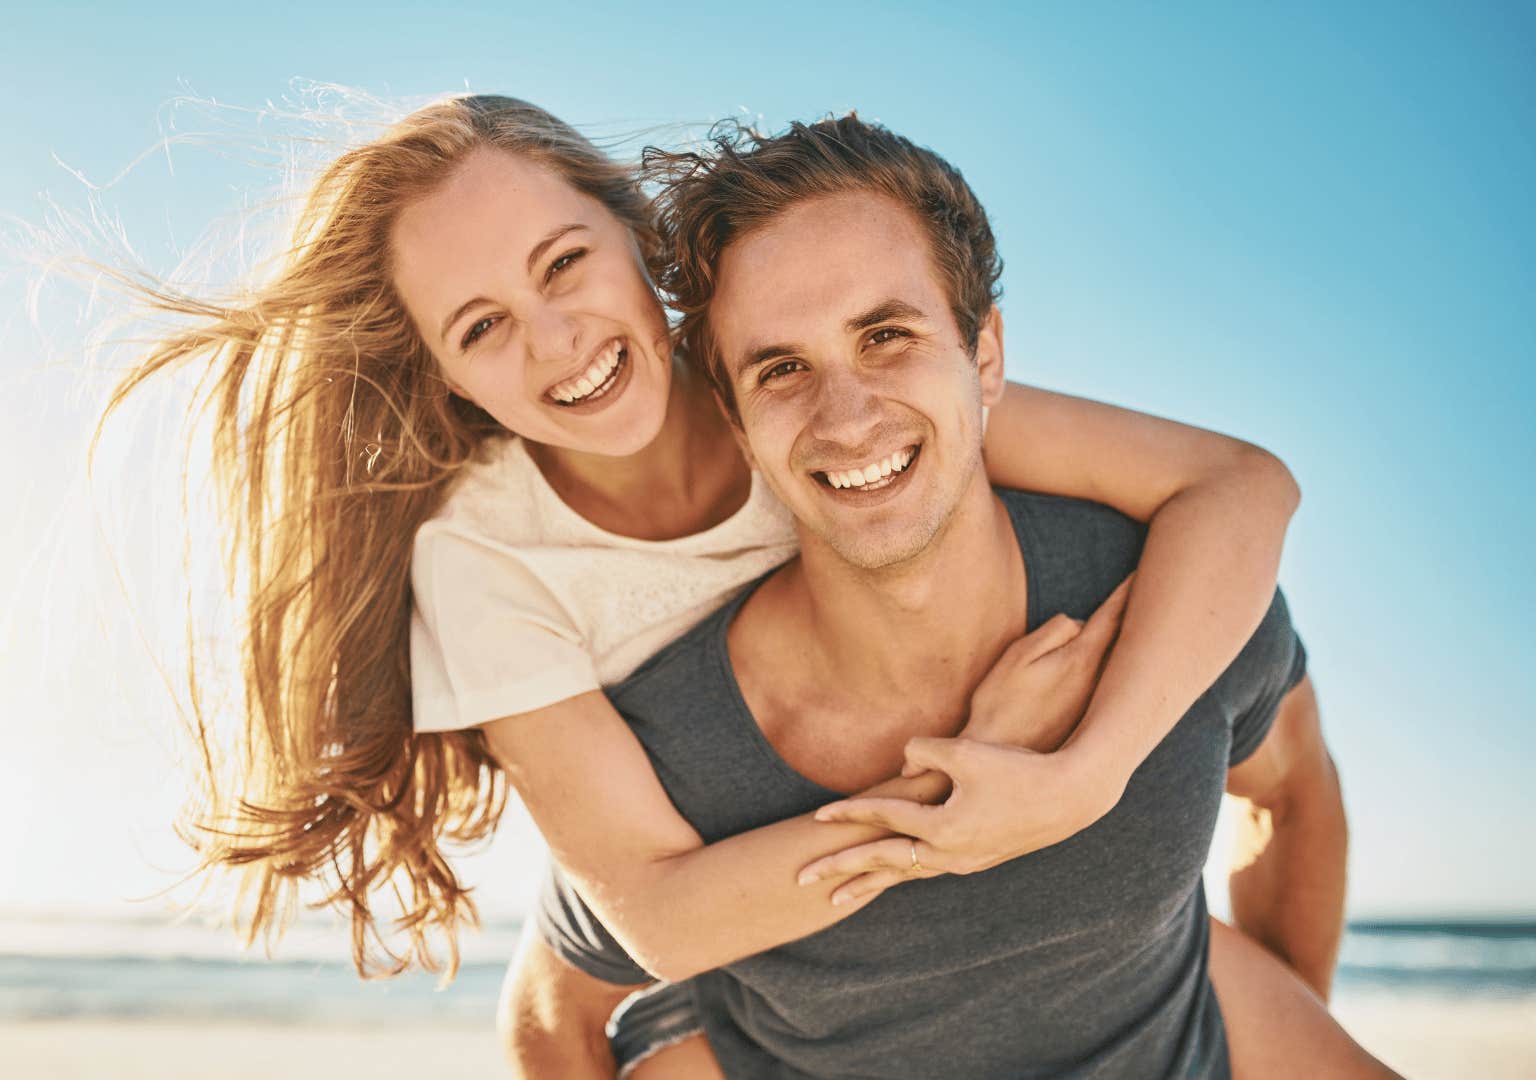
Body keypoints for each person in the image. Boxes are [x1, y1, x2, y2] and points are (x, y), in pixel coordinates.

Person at [95, 94, 1349, 1071]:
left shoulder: (797, 374)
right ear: (445, 375)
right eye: (480, 328)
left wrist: (1081, 775)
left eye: (564, 265)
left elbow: (1236, 487)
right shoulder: (483, 561)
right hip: (708, 858)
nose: (559, 342)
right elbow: (659, 917)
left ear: (637, 243)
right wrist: (965, 777)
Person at [506, 114, 1393, 1077]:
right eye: (782, 369)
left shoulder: (1164, 596)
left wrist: (1283, 1027)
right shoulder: (675, 743)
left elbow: (1295, 792)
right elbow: (554, 1017)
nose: (846, 421)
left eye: (887, 336)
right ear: (734, 419)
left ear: (985, 357)